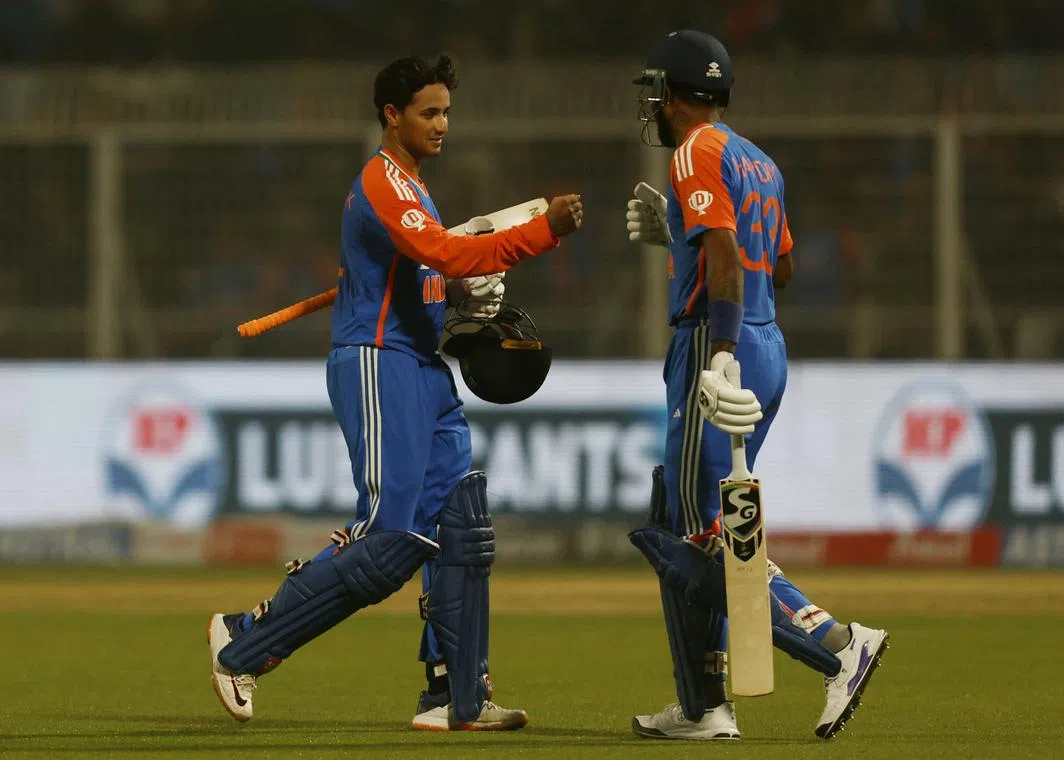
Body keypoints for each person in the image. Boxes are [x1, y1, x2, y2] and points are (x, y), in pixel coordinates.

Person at [206, 54, 583, 731]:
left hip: (420, 366)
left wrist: (465, 302)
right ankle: (243, 642)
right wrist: (540, 233)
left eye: (445, 112)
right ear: (392, 115)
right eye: (428, 112)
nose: (442, 124)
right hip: (378, 365)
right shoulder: (383, 184)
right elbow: (441, 254)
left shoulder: (415, 189)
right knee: (388, 539)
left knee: (457, 526)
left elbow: (433, 275)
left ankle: (454, 691)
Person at [624, 30, 889, 741]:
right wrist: (680, 239)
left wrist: (721, 350)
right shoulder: (760, 161)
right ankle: (703, 705)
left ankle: (836, 645)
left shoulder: (694, 150)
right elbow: (779, 264)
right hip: (767, 342)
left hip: (721, 341)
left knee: (695, 538)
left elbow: (726, 254)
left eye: (658, 91)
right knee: (695, 522)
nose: (653, 105)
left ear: (675, 95)